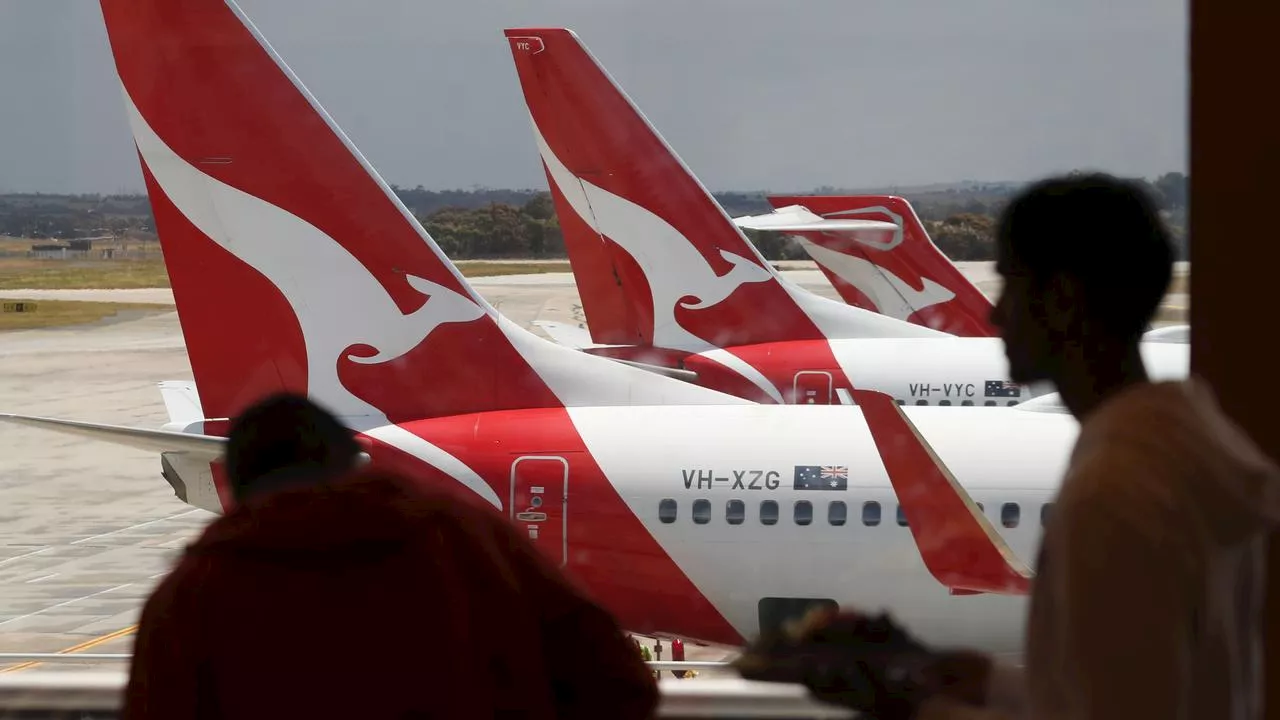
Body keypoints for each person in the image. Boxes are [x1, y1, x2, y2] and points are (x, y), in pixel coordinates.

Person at [738, 173, 1280, 720]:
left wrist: (909, 702)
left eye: (1012, 286)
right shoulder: (1191, 448)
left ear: (1063, 299)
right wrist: (959, 674)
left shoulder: (1118, 494)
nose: (997, 316)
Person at [123, 392, 657, 719]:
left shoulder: (196, 593)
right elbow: (616, 687)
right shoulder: (467, 543)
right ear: (350, 464)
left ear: (240, 487)